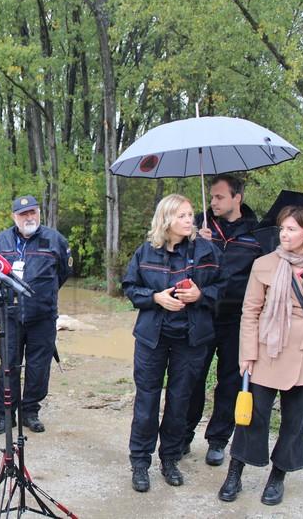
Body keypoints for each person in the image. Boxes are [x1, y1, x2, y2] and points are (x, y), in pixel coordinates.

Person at [218, 205, 303, 506]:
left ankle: (278, 476)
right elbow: (250, 311)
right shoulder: (264, 263)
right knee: (252, 416)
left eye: (292, 229)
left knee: (295, 421)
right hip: (267, 349)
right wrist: (247, 354)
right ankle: (235, 473)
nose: (284, 233)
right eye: (283, 228)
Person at [122, 194, 224, 493]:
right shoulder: (145, 251)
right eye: (182, 215)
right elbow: (129, 287)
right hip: (153, 337)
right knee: (147, 401)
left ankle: (170, 459)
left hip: (191, 339)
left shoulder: (206, 251)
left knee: (180, 401)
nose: (189, 219)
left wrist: (201, 295)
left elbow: (225, 286)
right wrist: (155, 298)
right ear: (166, 219)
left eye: (191, 214)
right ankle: (140, 462)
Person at [184, 175, 262, 466]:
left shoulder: (257, 233)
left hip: (238, 319)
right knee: (192, 377)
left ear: (236, 198)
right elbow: (179, 260)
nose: (213, 202)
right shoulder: (198, 226)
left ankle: (218, 440)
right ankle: (184, 434)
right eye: (212, 197)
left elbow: (264, 275)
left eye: (219, 197)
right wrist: (195, 242)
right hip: (202, 312)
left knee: (230, 381)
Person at [0, 195, 71, 435]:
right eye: (23, 214)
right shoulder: (0, 241)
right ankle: (5, 415)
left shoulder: (55, 240)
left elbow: (64, 273)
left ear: (39, 213)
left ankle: (30, 411)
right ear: (14, 217)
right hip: (11, 316)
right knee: (9, 365)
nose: (29, 217)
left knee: (38, 367)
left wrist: (42, 295)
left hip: (43, 317)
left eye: (32, 212)